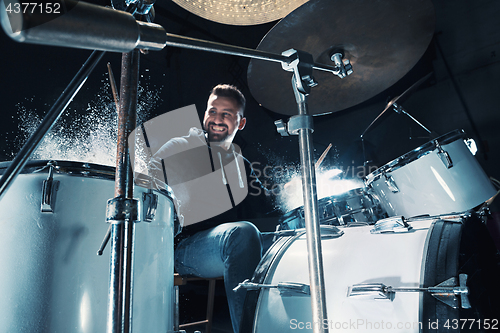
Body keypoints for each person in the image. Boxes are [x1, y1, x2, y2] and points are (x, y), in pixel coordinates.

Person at [150, 84, 269, 333]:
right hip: (183, 247)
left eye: (226, 114)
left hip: (221, 244)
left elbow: (267, 209)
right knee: (242, 235)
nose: (217, 119)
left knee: (283, 238)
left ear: (241, 122)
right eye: (212, 111)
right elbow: (144, 181)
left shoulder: (241, 164)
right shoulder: (180, 147)